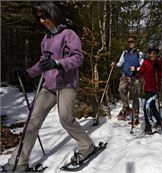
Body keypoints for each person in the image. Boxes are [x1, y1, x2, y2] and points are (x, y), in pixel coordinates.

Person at [3, 2, 94, 172]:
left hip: (66, 84)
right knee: (32, 122)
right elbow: (42, 63)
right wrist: (27, 72)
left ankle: (86, 145)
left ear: (53, 13)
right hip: (49, 86)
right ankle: (19, 161)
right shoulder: (46, 39)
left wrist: (58, 63)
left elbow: (78, 58)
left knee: (65, 118)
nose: (42, 20)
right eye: (39, 18)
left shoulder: (69, 34)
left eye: (44, 16)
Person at [111, 36, 144, 125]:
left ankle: (136, 116)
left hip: (135, 76)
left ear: (135, 42)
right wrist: (115, 65)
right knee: (120, 90)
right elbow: (121, 63)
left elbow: (143, 66)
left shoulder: (139, 53)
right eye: (129, 41)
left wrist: (136, 68)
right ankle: (126, 107)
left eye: (132, 41)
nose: (130, 43)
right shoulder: (125, 53)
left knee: (135, 96)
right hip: (125, 75)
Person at [136, 46, 162, 135]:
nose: (152, 55)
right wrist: (135, 76)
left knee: (146, 106)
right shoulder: (146, 62)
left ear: (156, 54)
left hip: (155, 89)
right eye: (150, 53)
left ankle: (148, 126)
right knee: (152, 106)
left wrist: (160, 68)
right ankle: (158, 121)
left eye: (154, 53)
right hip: (147, 89)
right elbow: (141, 72)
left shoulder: (160, 63)